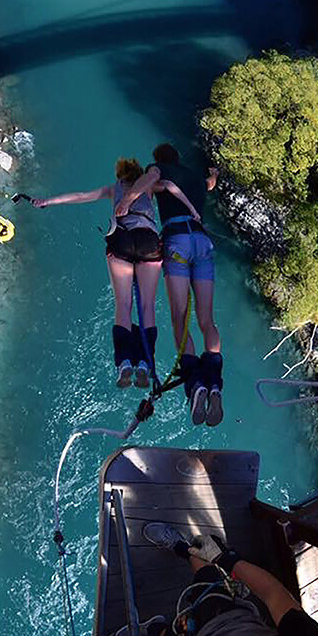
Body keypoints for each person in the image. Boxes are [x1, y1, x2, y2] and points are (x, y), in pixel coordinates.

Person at [32, 158, 198, 388]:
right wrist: (192, 210)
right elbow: (170, 186)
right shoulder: (148, 186)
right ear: (139, 174)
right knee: (148, 306)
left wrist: (46, 201)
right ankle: (144, 364)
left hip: (121, 238)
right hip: (148, 239)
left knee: (123, 305)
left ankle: (124, 363)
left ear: (120, 176)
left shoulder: (113, 189)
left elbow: (80, 196)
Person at [135, 522, 318, 636]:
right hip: (225, 623)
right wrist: (226, 559)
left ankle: (151, 627)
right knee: (206, 576)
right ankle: (182, 547)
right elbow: (273, 594)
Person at [115, 143, 222, 426]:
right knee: (206, 320)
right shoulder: (196, 179)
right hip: (202, 243)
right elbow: (210, 184)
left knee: (179, 318)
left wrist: (126, 201)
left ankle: (196, 381)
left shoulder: (158, 170)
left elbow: (148, 181)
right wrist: (213, 174)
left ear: (158, 161)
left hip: (177, 242)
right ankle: (214, 380)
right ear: (178, 157)